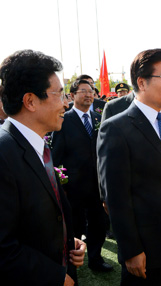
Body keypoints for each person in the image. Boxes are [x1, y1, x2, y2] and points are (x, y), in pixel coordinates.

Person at [97, 48, 161, 285]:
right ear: (142, 83)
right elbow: (115, 197)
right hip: (145, 245)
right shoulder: (116, 128)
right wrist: (130, 250)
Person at [0, 49, 86, 285]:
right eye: (58, 94)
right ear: (30, 101)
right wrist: (55, 277)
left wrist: (69, 243)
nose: (66, 104)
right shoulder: (4, 153)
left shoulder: (39, 144)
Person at [51, 79, 112, 273]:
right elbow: (56, 157)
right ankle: (71, 266)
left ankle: (95, 259)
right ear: (72, 95)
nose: (88, 94)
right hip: (73, 188)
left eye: (91, 91)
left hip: (97, 186)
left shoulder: (99, 119)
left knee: (99, 225)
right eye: (83, 91)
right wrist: (63, 187)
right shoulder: (63, 119)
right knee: (74, 227)